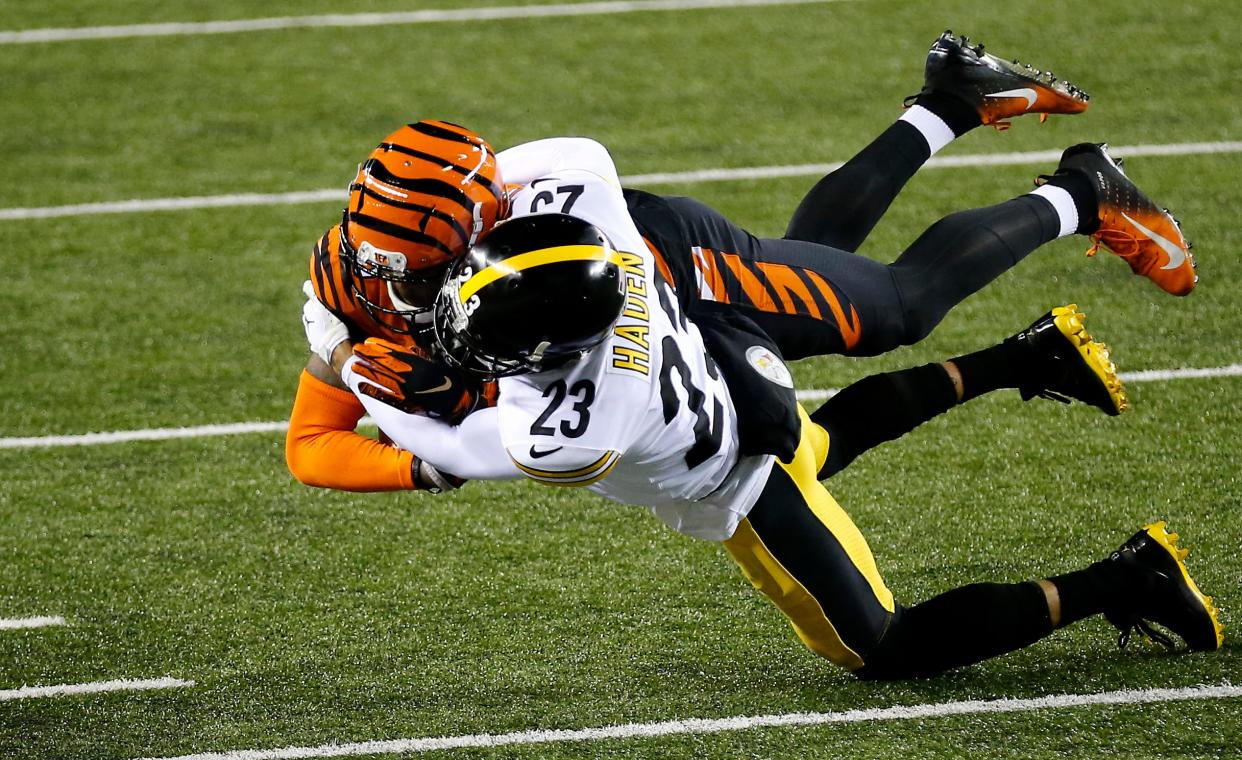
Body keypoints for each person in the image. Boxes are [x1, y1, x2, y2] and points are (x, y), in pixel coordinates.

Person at [298, 128, 1221, 680]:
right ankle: (1031, 351)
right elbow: (530, 195)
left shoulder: (572, 430)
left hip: (728, 470)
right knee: (809, 430)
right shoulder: (580, 195)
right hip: (701, 338)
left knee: (881, 645)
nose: (442, 322)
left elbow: (457, 448)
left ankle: (1126, 577)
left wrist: (348, 356)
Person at [286, 32, 1196, 495]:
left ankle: (1084, 191)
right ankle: (950, 102)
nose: (399, 290)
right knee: (819, 261)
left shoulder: (540, 196)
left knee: (893, 310)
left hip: (666, 272)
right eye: (388, 270)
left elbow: (567, 181)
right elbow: (307, 446)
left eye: (420, 270)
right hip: (664, 288)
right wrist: (383, 414)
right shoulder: (360, 269)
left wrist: (386, 402)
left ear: (479, 222)